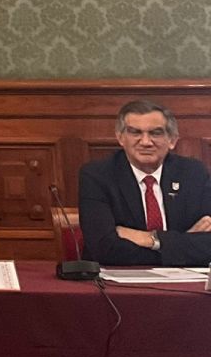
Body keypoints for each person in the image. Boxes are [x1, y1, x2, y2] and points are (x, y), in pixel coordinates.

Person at [78, 99, 211, 267]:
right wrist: (181, 245)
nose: (146, 142)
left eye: (156, 133)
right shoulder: (98, 176)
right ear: (120, 138)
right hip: (120, 278)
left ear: (172, 140)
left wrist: (151, 239)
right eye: (135, 133)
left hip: (185, 278)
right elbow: (104, 248)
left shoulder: (193, 173)